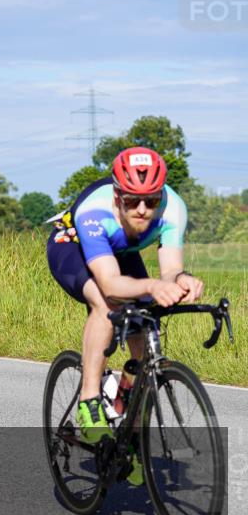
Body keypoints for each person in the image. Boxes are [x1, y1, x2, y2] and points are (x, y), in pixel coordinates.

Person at [47, 147, 203, 457]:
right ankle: (89, 402)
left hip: (124, 254)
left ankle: (128, 431)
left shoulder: (173, 209)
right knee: (108, 303)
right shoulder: (95, 211)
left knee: (146, 326)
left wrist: (180, 279)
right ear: (118, 196)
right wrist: (152, 285)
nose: (143, 209)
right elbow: (110, 283)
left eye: (151, 200)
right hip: (72, 247)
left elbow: (170, 269)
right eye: (132, 200)